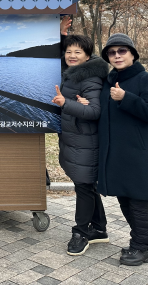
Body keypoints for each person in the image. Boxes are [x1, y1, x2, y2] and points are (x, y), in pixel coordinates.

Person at [99, 33, 148, 266]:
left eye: (122, 51)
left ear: (132, 54)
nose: (117, 56)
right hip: (117, 153)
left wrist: (126, 98)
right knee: (124, 199)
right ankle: (146, 240)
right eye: (112, 52)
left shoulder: (144, 79)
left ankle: (140, 247)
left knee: (137, 199)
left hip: (139, 152)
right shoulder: (108, 81)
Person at [52, 34, 110, 256]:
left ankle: (81, 233)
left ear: (88, 55)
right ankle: (99, 229)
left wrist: (66, 103)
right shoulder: (73, 74)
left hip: (86, 143)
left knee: (84, 188)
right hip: (77, 140)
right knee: (87, 186)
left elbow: (94, 111)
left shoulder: (90, 79)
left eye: (78, 52)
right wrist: (60, 31)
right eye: (68, 51)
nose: (71, 56)